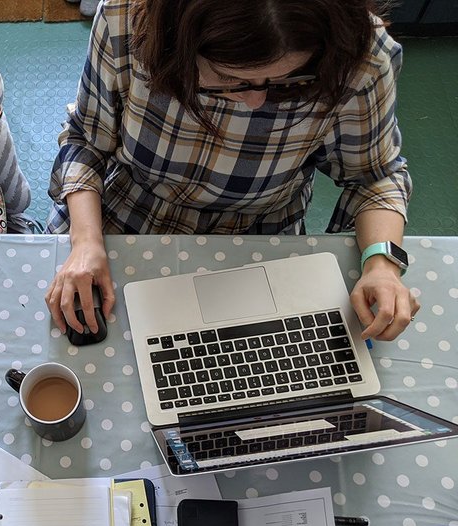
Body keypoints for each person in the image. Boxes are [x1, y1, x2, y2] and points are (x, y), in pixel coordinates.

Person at [45, 0, 420, 342]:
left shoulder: (359, 55)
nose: (256, 100)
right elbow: (86, 140)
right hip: (122, 215)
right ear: (181, 43)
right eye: (229, 79)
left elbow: (375, 176)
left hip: (260, 232)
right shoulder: (125, 19)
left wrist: (382, 265)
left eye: (287, 79)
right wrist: (86, 244)